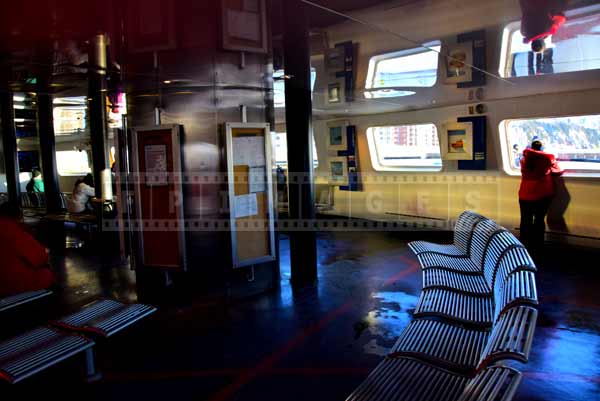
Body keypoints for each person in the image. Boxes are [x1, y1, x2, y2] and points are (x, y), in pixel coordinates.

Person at [0, 203, 55, 297]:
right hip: (7, 284)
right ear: (18, 216)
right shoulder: (15, 232)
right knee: (46, 274)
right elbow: (40, 258)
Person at [518, 139, 564, 251]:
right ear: (542, 148)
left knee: (525, 220)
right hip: (542, 195)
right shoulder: (548, 158)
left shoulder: (524, 159)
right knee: (539, 220)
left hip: (524, 195)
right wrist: (554, 164)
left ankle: (523, 246)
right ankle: (538, 246)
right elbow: (558, 171)